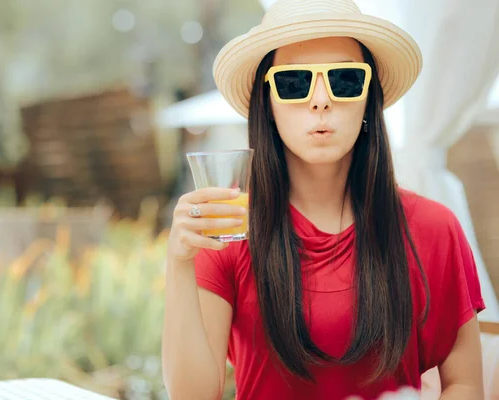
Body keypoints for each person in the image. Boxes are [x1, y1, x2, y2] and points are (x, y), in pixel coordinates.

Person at [161, 0, 486, 399]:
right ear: (268, 105)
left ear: (370, 99)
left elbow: (465, 384)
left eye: (345, 80)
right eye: (294, 83)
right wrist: (179, 264)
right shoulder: (227, 230)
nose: (320, 100)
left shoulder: (434, 229)